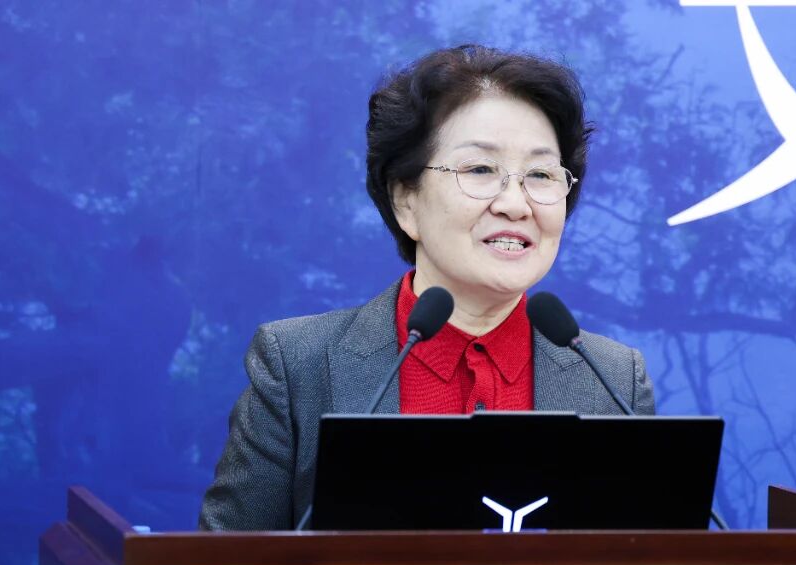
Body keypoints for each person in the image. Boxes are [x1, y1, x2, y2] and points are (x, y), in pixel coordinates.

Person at [199, 45, 655, 531]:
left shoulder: (614, 381)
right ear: (406, 201)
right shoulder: (297, 366)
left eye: (540, 175)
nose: (515, 204)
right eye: (480, 169)